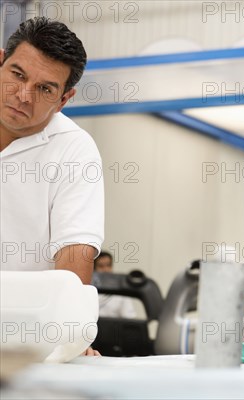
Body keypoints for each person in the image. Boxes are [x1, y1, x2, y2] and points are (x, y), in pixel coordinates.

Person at [0, 17, 103, 356]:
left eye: (45, 89)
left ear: (64, 99)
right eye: (17, 75)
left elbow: (74, 254)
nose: (24, 96)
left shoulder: (75, 150)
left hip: (24, 336)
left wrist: (67, 333)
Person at [94, 251, 137, 319]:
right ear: (94, 269)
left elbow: (129, 319)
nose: (105, 270)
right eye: (101, 266)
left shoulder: (122, 292)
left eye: (108, 265)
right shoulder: (88, 290)